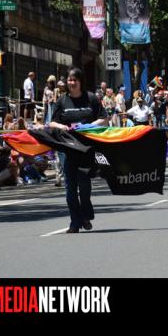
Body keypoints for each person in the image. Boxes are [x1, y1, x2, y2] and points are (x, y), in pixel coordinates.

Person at [49, 67, 108, 234]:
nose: (72, 83)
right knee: (70, 188)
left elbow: (104, 119)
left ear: (80, 82)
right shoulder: (62, 101)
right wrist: (61, 126)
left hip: (86, 149)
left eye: (75, 80)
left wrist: (88, 126)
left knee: (84, 184)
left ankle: (86, 215)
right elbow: (52, 123)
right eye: (69, 80)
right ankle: (75, 222)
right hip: (67, 150)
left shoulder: (91, 98)